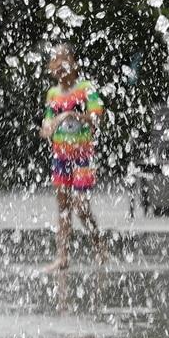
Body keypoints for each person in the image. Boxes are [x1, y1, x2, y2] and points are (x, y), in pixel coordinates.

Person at [39, 44, 107, 271]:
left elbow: (97, 117)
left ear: (74, 64)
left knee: (80, 206)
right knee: (63, 207)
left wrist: (70, 114)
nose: (59, 65)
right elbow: (47, 124)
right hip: (60, 156)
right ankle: (62, 257)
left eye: (63, 59)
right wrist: (47, 128)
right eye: (55, 61)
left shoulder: (85, 88)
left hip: (82, 156)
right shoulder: (52, 94)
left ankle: (98, 243)